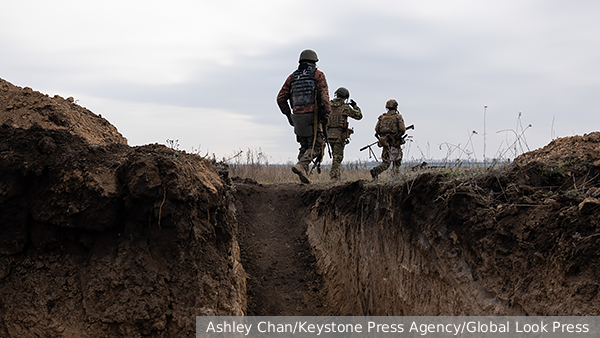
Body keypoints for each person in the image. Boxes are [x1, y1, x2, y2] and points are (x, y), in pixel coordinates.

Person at [277, 49, 331, 184]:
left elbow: (280, 98)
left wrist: (289, 115)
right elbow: (324, 96)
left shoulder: (292, 77)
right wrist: (327, 113)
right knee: (317, 146)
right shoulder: (318, 75)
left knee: (304, 145)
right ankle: (301, 166)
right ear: (314, 62)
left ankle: (303, 176)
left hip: (297, 117)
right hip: (313, 116)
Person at [327, 87, 362, 180]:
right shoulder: (345, 107)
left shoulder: (328, 105)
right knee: (337, 158)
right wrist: (355, 106)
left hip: (329, 135)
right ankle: (334, 178)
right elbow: (359, 116)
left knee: (335, 157)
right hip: (339, 136)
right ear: (345, 97)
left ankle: (337, 179)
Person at [370, 99, 406, 179]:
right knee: (397, 160)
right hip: (394, 142)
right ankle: (395, 177)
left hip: (384, 142)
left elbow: (376, 130)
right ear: (395, 107)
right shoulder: (397, 117)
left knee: (386, 161)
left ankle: (376, 170)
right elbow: (403, 130)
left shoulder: (382, 117)